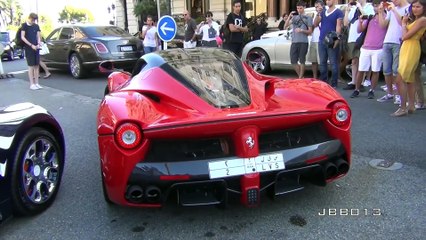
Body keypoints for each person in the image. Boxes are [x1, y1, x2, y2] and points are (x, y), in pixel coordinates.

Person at [391, 0, 426, 116]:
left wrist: (404, 24)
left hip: (412, 47)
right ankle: (411, 106)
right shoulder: (416, 19)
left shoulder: (422, 20)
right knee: (410, 79)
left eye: (418, 7)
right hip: (407, 47)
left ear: (424, 8)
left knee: (400, 79)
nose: (415, 9)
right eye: (414, 6)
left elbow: (405, 36)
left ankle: (403, 107)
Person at [350, 0, 388, 99]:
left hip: (378, 48)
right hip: (366, 47)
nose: (376, 7)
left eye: (377, 5)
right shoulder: (370, 17)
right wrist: (360, 22)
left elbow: (382, 25)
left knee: (375, 71)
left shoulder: (387, 17)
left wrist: (380, 13)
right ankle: (356, 90)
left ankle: (372, 90)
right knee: (361, 69)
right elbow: (360, 30)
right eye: (374, 5)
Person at [376, 0, 410, 104]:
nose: (392, 1)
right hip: (387, 41)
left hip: (399, 41)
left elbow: (402, 23)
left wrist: (394, 10)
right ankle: (390, 93)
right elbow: (382, 25)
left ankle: (399, 95)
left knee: (396, 71)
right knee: (386, 70)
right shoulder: (391, 9)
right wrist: (380, 12)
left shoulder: (408, 8)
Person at [343, 0, 374, 90]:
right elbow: (345, 23)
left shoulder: (369, 7)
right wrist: (347, 11)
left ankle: (361, 82)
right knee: (354, 61)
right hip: (352, 37)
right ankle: (353, 81)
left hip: (363, 37)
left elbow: (368, 18)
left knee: (362, 60)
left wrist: (360, 7)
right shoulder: (353, 9)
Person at [314, 0, 344, 87]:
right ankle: (324, 82)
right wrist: (318, 13)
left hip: (332, 41)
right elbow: (315, 24)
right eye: (326, 0)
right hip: (321, 40)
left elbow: (339, 27)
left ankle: (334, 84)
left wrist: (337, 40)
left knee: (333, 63)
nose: (327, 1)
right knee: (322, 63)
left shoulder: (338, 12)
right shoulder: (323, 12)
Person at [284, 0, 313, 78]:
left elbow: (310, 31)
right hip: (294, 41)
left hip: (303, 41)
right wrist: (289, 17)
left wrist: (302, 30)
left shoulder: (308, 18)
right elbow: (285, 26)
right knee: (293, 60)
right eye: (297, 8)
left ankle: (300, 78)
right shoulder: (295, 18)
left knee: (302, 60)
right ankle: (301, 76)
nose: (299, 10)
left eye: (300, 8)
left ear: (304, 8)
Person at [21, 13, 42, 90]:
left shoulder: (36, 26)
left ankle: (37, 83)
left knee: (37, 65)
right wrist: (31, 45)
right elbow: (22, 37)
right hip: (29, 48)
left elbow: (38, 36)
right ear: (29, 18)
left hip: (36, 47)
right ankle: (31, 84)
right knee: (31, 66)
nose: (33, 21)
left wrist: (39, 43)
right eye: (32, 20)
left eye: (34, 20)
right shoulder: (24, 25)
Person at [308, 0, 325, 79]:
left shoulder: (325, 13)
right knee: (313, 61)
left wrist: (319, 13)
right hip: (313, 40)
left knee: (321, 61)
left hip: (320, 40)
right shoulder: (315, 14)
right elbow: (313, 25)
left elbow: (315, 24)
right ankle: (315, 77)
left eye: (318, 6)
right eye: (316, 7)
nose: (317, 8)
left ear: (322, 6)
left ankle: (323, 78)